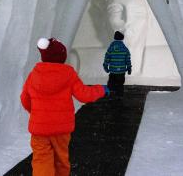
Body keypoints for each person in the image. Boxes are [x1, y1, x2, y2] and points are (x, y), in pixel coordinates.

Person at [21, 37, 109, 176]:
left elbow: (24, 99)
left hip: (39, 129)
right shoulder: (69, 74)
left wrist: (37, 113)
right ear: (62, 57)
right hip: (61, 130)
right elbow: (84, 95)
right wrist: (101, 90)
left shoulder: (34, 75)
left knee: (41, 160)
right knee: (60, 159)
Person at [103, 31, 132, 97]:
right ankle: (119, 96)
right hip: (121, 71)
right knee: (120, 84)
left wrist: (105, 66)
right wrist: (129, 68)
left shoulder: (111, 48)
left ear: (114, 38)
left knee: (111, 84)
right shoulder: (125, 49)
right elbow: (128, 59)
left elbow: (107, 57)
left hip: (113, 71)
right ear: (122, 39)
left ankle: (111, 95)